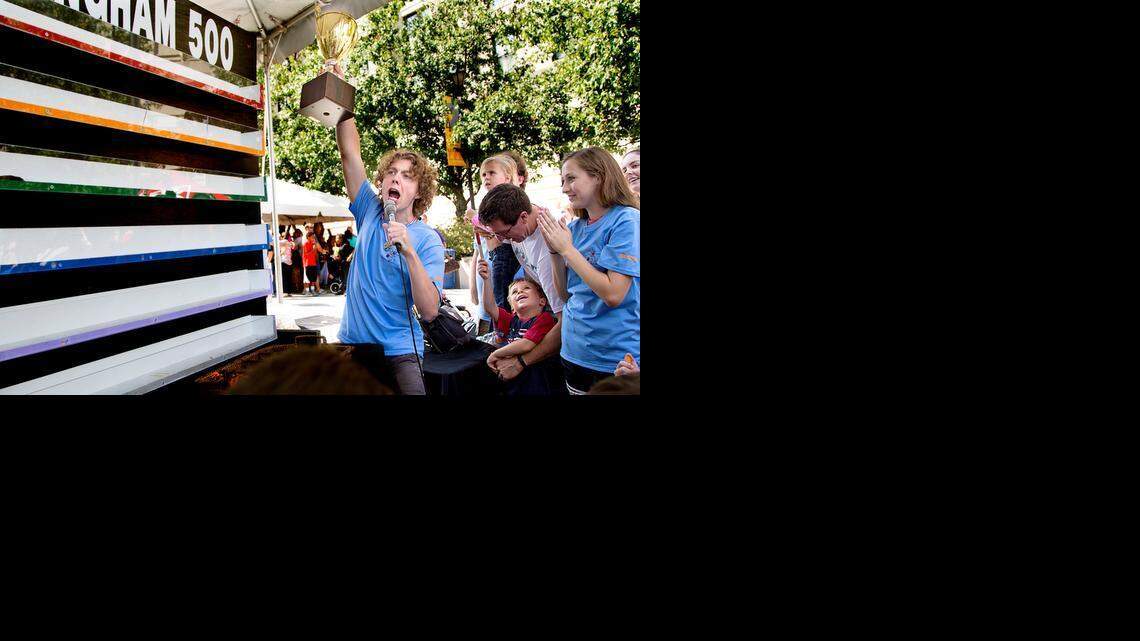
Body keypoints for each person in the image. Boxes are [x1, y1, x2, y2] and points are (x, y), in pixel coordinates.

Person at [330, 62, 444, 395]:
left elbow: (430, 310)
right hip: (352, 345)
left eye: (407, 176)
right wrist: (340, 92)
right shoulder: (369, 208)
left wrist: (409, 253)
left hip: (399, 351)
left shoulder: (427, 240)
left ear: (419, 191)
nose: (396, 178)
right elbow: (349, 153)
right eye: (391, 172)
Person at [536, 147, 640, 395]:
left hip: (615, 359)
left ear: (599, 176)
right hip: (575, 354)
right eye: (563, 181)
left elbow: (614, 294)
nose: (565, 188)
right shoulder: (575, 228)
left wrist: (567, 250)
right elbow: (565, 295)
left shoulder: (626, 220)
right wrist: (554, 252)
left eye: (571, 178)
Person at [476, 183, 567, 383]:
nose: (501, 239)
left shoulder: (546, 250)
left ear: (524, 217)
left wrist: (521, 363)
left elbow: (565, 323)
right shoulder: (518, 225)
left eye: (504, 233)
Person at [477, 264, 564, 396]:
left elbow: (526, 344)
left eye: (526, 288)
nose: (520, 292)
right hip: (514, 383)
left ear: (542, 301)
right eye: (514, 292)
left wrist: (495, 354)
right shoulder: (510, 320)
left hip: (538, 385)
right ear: (512, 307)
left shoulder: (545, 319)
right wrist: (486, 280)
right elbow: (490, 307)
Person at [302, 230, 321, 295]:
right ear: (308, 237)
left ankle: (312, 290)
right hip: (307, 263)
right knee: (308, 278)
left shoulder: (313, 244)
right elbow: (307, 254)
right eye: (312, 237)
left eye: (314, 237)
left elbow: (315, 254)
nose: (313, 238)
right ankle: (307, 291)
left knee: (313, 278)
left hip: (313, 263)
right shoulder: (305, 244)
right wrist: (313, 249)